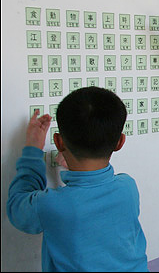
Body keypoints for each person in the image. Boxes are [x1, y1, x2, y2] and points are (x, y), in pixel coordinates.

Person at [7, 86, 148, 272]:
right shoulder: (128, 187)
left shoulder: (50, 205)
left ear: (58, 142)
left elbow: (17, 207)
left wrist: (33, 150)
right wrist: (73, 165)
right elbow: (91, 204)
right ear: (120, 142)